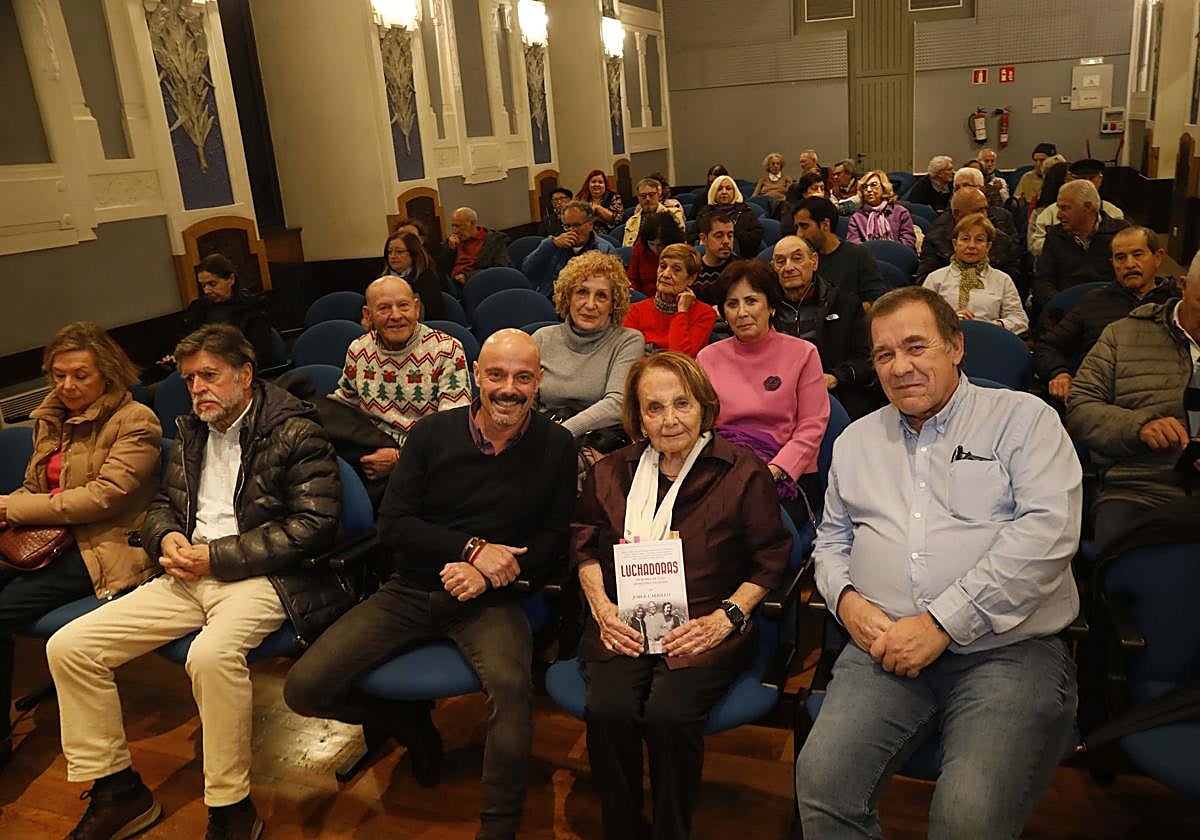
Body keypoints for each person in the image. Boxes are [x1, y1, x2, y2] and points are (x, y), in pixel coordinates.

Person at [795, 286, 1082, 839]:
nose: (899, 367)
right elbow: (830, 541)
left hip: (1007, 651)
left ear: (955, 347)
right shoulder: (856, 441)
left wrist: (942, 623)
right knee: (822, 783)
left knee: (966, 819)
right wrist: (847, 601)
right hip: (884, 649)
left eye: (915, 346)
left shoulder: (1024, 420)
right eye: (883, 354)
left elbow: (1047, 535)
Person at [49, 324, 344, 840]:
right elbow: (163, 505)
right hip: (186, 571)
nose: (198, 388)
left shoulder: (297, 430)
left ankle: (231, 808)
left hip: (260, 574)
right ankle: (118, 791)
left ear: (245, 375)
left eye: (209, 375)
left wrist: (218, 557)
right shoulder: (193, 430)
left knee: (209, 656)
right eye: (189, 379)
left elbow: (314, 525)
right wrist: (164, 540)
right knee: (70, 646)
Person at [283, 329, 576, 840]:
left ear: (539, 383)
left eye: (523, 377)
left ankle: (498, 827)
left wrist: (486, 572)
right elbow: (394, 525)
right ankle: (407, 724)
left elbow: (554, 535)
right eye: (497, 375)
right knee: (304, 689)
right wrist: (469, 550)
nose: (509, 388)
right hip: (413, 588)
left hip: (492, 597)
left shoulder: (556, 445)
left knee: (512, 691)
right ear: (475, 377)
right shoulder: (430, 435)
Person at [572, 351, 790, 840]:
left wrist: (728, 616)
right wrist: (602, 608)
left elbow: (772, 558)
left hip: (708, 625)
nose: (669, 419)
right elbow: (583, 543)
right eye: (654, 408)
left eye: (681, 404)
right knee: (609, 710)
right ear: (638, 416)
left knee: (669, 715)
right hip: (623, 620)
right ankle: (622, 828)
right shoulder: (611, 472)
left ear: (703, 406)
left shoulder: (742, 472)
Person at [0, 323, 161, 772]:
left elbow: (104, 498)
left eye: (79, 375)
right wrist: (15, 507)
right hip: (45, 539)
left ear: (107, 373)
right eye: (57, 375)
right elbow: (34, 485)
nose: (66, 386)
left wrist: (15, 509)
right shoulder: (52, 418)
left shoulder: (136, 421)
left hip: (104, 546)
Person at [1067, 252, 1200, 552]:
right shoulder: (1123, 334)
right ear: (1182, 285)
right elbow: (1080, 407)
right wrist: (1139, 426)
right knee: (1127, 569)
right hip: (1139, 488)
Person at [698, 260, 830, 522]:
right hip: (724, 468)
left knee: (747, 522)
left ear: (770, 306)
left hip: (788, 473)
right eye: (732, 304)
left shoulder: (803, 353)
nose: (742, 312)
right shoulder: (707, 357)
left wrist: (775, 470)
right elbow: (699, 424)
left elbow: (812, 425)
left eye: (751, 301)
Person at [331, 275, 471, 480]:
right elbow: (343, 404)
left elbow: (452, 429)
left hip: (428, 460)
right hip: (372, 450)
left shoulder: (447, 349)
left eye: (403, 306)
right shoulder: (358, 349)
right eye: (384, 308)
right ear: (368, 315)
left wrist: (399, 458)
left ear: (416, 308)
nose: (395, 315)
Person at [1036, 226, 1177, 403]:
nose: (1129, 264)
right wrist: (1059, 373)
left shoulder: (1177, 305)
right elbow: (1047, 346)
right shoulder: (1094, 301)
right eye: (1120, 258)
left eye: (1138, 254)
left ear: (1157, 258)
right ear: (1112, 264)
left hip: (1162, 397)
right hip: (1100, 398)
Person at [533, 250, 643, 444]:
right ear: (568, 297)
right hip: (543, 435)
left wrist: (563, 433)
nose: (590, 305)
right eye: (582, 292)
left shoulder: (628, 341)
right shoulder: (542, 338)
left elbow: (617, 404)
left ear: (613, 304)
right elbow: (526, 398)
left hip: (598, 442)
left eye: (601, 296)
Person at [770, 236, 876, 419]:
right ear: (773, 268)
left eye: (797, 258)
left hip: (836, 397)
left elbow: (866, 361)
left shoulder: (845, 304)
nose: (788, 267)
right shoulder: (766, 308)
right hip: (778, 400)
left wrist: (834, 377)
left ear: (814, 261)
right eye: (781, 261)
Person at [922, 213, 1029, 335]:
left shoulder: (1003, 280)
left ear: (988, 246)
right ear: (955, 244)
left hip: (989, 340)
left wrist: (996, 325)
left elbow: (1020, 320)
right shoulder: (935, 279)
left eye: (979, 240)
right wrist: (949, 319)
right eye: (965, 239)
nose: (971, 246)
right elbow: (920, 317)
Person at [1032, 180, 1129, 309]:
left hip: (1111, 308)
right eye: (1058, 208)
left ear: (1088, 207)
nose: (1058, 215)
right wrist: (1062, 305)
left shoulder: (1121, 234)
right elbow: (1043, 282)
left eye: (1065, 208)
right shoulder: (1054, 236)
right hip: (1066, 309)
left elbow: (1130, 277)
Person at [170, 253, 272, 371]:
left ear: (231, 279)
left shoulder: (252, 309)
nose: (207, 291)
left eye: (212, 284)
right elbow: (187, 340)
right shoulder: (198, 308)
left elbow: (257, 355)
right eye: (203, 286)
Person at [916, 186, 1025, 293]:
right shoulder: (935, 241)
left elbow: (1016, 284)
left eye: (985, 209)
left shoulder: (1003, 241)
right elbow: (924, 284)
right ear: (957, 214)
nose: (985, 215)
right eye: (979, 210)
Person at [623, 244, 718, 357]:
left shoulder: (705, 314)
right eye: (663, 266)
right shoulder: (635, 311)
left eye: (676, 270)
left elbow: (680, 358)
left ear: (691, 278)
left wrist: (681, 312)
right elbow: (628, 357)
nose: (666, 274)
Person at [791, 197, 887, 304]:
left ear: (825, 224)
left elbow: (876, 301)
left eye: (804, 226)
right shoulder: (800, 260)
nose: (799, 234)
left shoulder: (858, 255)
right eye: (797, 227)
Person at [1029, 158, 1125, 258]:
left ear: (1100, 179)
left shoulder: (1114, 214)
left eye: (1091, 178)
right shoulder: (1049, 214)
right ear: (1069, 179)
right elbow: (1035, 247)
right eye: (1082, 178)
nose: (1087, 184)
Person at [523, 201, 617, 297]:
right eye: (567, 226)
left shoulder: (604, 250)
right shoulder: (555, 245)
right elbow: (528, 270)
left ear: (590, 224)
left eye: (577, 225)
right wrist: (551, 244)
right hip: (552, 300)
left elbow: (611, 288)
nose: (572, 230)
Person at [437, 206, 511, 293]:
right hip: (453, 286)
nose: (455, 231)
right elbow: (441, 270)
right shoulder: (452, 242)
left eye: (458, 226)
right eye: (453, 226)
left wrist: (468, 276)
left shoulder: (493, 241)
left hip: (480, 284)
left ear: (472, 223)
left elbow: (501, 268)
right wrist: (449, 250)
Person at [381, 229, 444, 320]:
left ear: (413, 254)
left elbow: (431, 313)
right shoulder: (381, 281)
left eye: (399, 252)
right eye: (389, 252)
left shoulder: (426, 279)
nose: (393, 256)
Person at [846, 171, 916, 251]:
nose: (868, 190)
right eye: (865, 187)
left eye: (873, 185)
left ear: (884, 188)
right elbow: (854, 244)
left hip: (897, 256)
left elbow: (908, 241)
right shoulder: (857, 218)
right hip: (868, 259)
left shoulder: (900, 212)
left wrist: (890, 253)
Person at [696, 175, 763, 259]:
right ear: (713, 192)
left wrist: (735, 237)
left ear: (734, 192)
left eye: (728, 189)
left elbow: (756, 236)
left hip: (741, 258)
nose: (724, 192)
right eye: (719, 189)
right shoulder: (705, 213)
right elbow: (693, 236)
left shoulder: (745, 211)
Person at [627, 211, 685, 297]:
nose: (655, 249)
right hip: (643, 299)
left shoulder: (681, 251)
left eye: (660, 245)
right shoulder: (641, 247)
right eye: (651, 244)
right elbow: (632, 278)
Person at [623, 177, 686, 247]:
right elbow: (626, 248)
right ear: (638, 197)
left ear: (658, 195)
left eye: (651, 194)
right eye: (643, 196)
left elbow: (679, 245)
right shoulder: (632, 221)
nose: (647, 199)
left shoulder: (673, 214)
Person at [694, 210, 737, 305]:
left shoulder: (741, 270)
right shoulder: (692, 270)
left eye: (730, 235)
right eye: (719, 236)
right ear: (704, 238)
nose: (726, 241)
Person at [577, 169, 624, 236]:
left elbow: (618, 219)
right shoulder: (581, 199)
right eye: (593, 182)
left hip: (609, 235)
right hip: (585, 235)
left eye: (600, 182)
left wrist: (597, 208)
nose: (597, 184)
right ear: (588, 184)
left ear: (605, 185)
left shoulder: (613, 196)